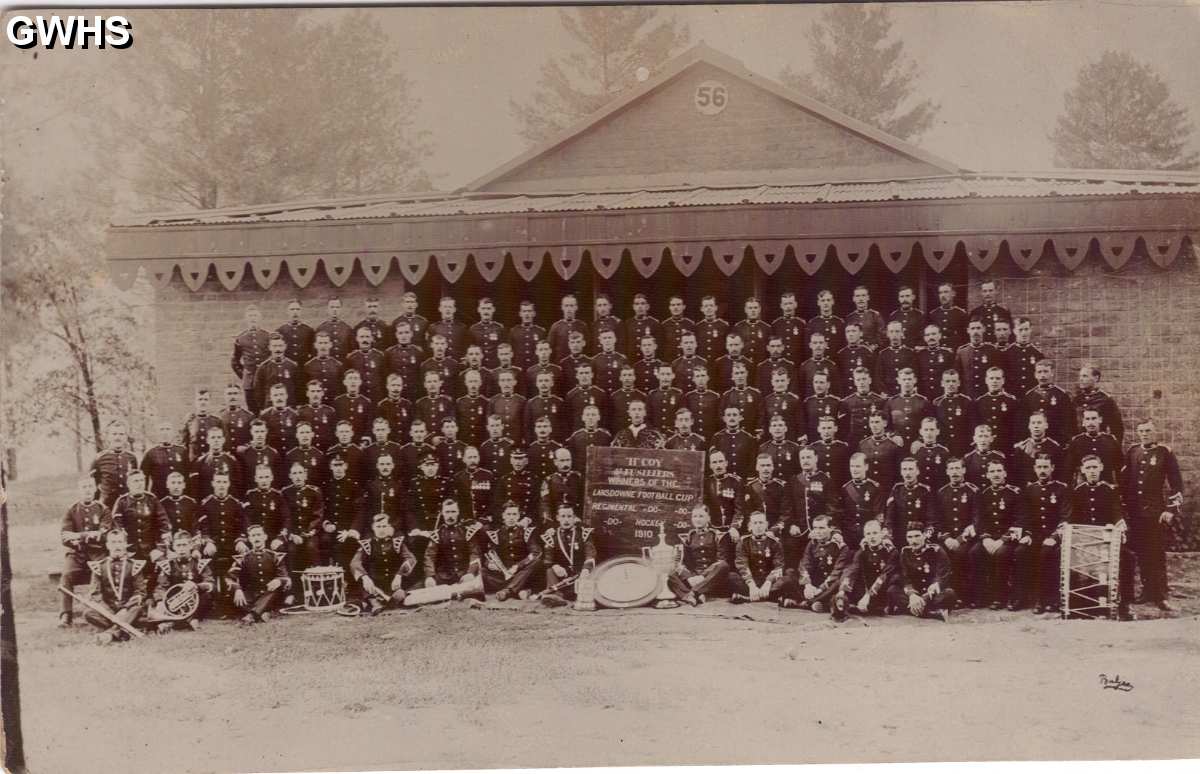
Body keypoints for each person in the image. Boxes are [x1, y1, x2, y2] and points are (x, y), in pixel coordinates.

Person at [1122, 419, 1183, 610]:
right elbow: (1126, 482)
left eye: (1148, 430)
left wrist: (1170, 510)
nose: (1144, 434)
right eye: (1141, 431)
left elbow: (1176, 484)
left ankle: (1161, 595)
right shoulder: (1133, 451)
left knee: (1156, 553)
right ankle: (1147, 591)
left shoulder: (1164, 452)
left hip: (1156, 513)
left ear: (1154, 431)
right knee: (1141, 553)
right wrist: (1124, 508)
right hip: (1135, 513)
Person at [1069, 455, 1136, 620]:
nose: (1092, 471)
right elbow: (1073, 517)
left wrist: (1120, 525)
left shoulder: (1110, 489)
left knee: (1128, 557)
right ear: (1083, 471)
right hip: (1084, 540)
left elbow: (1116, 512)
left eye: (1094, 467)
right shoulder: (1078, 491)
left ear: (1101, 468)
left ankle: (1125, 603)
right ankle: (1077, 604)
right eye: (1088, 468)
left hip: (1106, 539)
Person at [1016, 453, 1069, 613]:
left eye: (1046, 467)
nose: (1042, 470)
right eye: (1039, 467)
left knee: (1047, 553)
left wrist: (1054, 537)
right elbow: (1024, 517)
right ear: (1034, 469)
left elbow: (1066, 517)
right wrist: (1027, 534)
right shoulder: (1030, 489)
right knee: (1020, 551)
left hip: (1055, 536)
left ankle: (1047, 599)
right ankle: (1022, 596)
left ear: (1052, 468)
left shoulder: (1062, 488)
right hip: (1035, 535)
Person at [968, 460, 1023, 610]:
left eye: (999, 471)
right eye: (992, 471)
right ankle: (980, 596)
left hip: (1008, 539)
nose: (996, 474)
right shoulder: (982, 493)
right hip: (988, 538)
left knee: (1002, 554)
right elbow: (978, 519)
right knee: (975, 552)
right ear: (987, 475)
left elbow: (1020, 520)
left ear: (1005, 473)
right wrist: (985, 539)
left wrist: (1002, 540)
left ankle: (1000, 597)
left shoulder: (1015, 492)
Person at [59, 477, 109, 627]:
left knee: (101, 572)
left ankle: (101, 610)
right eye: (84, 487)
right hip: (77, 554)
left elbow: (104, 535)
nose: (87, 490)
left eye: (90, 486)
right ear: (79, 490)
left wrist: (79, 536)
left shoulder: (103, 509)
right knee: (66, 575)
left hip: (98, 553)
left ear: (96, 489)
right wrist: (90, 536)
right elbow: (65, 537)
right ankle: (66, 614)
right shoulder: (72, 510)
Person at [197, 471, 248, 616]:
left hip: (232, 546)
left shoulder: (236, 504)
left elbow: (243, 527)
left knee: (243, 555)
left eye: (224, 482)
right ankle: (214, 602)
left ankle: (238, 598)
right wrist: (207, 542)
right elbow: (202, 528)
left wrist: (240, 540)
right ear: (213, 484)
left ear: (229, 484)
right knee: (207, 558)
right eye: (218, 482)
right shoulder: (206, 504)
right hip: (214, 547)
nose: (221, 485)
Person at [85, 528, 149, 644]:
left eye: (120, 542)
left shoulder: (134, 565)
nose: (117, 546)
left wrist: (125, 609)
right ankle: (123, 629)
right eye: (113, 542)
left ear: (125, 544)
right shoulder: (99, 566)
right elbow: (95, 594)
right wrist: (109, 613)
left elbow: (140, 592)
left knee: (138, 609)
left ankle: (109, 634)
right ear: (108, 545)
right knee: (89, 614)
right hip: (108, 610)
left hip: (129, 609)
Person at [778, 514, 850, 612]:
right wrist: (807, 585)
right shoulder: (812, 543)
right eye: (815, 528)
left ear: (830, 528)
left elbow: (837, 571)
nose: (818, 531)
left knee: (839, 582)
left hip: (828, 584)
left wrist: (820, 589)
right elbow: (804, 564)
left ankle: (803, 603)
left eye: (822, 528)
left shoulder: (840, 546)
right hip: (813, 582)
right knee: (790, 573)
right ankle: (815, 603)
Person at [832, 519, 897, 621]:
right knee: (846, 576)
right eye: (868, 534)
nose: (872, 537)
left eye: (875, 533)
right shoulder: (862, 550)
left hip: (882, 587)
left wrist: (868, 595)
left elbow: (884, 576)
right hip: (867, 587)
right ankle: (844, 604)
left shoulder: (890, 551)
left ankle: (874, 607)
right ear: (864, 536)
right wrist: (842, 590)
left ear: (881, 534)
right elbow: (854, 569)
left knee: (892, 586)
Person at [889, 521, 956, 621]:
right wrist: (912, 595)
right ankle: (932, 613)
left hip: (932, 593)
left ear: (924, 535)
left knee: (949, 594)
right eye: (910, 537)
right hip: (915, 593)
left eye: (917, 536)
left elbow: (941, 578)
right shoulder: (904, 552)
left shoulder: (937, 550)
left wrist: (924, 598)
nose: (913, 540)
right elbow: (905, 577)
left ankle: (911, 609)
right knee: (892, 590)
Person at [351, 513, 417, 614]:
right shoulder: (367, 544)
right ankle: (375, 601)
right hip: (375, 583)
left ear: (389, 527)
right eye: (378, 526)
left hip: (394, 582)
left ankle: (388, 600)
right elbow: (355, 562)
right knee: (364, 585)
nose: (381, 529)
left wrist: (399, 575)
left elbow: (411, 559)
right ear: (373, 528)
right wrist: (365, 577)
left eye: (384, 526)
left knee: (406, 590)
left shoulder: (397, 543)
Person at [665, 504, 731, 605]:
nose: (697, 519)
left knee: (723, 565)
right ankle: (690, 595)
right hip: (694, 576)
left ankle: (693, 593)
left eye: (701, 516)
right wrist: (689, 576)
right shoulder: (688, 537)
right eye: (695, 516)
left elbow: (720, 560)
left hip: (711, 577)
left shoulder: (717, 535)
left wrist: (703, 577)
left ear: (708, 518)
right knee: (670, 575)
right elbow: (684, 562)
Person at [150, 529, 215, 633]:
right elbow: (161, 587)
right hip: (175, 603)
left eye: (184, 545)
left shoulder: (200, 563)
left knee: (206, 596)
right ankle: (190, 620)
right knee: (166, 600)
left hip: (195, 602)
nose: (181, 549)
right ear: (174, 547)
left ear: (190, 546)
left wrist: (197, 585)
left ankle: (172, 622)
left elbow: (210, 583)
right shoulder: (168, 565)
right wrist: (160, 601)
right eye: (178, 545)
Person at [935, 457, 978, 606]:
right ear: (947, 472)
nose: (955, 472)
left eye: (957, 468)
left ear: (964, 470)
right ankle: (947, 595)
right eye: (951, 469)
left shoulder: (973, 491)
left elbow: (976, 521)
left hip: (967, 538)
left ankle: (966, 596)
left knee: (961, 554)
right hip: (947, 538)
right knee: (941, 553)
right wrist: (947, 538)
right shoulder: (941, 492)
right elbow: (938, 521)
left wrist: (959, 540)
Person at [227, 524, 290, 625]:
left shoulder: (275, 556)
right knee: (236, 596)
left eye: (259, 535)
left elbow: (285, 577)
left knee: (275, 591)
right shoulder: (243, 558)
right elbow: (230, 578)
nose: (256, 538)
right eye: (253, 536)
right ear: (249, 539)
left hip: (270, 593)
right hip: (252, 594)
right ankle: (265, 612)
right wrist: (237, 589)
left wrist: (279, 580)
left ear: (265, 537)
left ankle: (252, 615)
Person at [482, 501, 543, 600]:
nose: (511, 517)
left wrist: (518, 566)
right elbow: (490, 554)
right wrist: (489, 564)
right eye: (508, 514)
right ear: (503, 516)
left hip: (522, 573)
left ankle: (508, 591)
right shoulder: (496, 534)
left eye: (514, 514)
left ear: (519, 516)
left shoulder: (526, 532)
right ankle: (519, 589)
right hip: (503, 575)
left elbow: (536, 552)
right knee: (483, 571)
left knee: (537, 562)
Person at [538, 504, 596, 606]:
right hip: (563, 574)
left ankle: (557, 596)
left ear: (574, 518)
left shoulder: (583, 533)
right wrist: (554, 565)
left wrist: (586, 569)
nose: (566, 520)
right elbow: (548, 558)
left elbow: (590, 555)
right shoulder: (552, 536)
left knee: (587, 584)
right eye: (563, 516)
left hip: (580, 573)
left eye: (569, 516)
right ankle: (556, 596)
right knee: (550, 570)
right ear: (557, 518)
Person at [111, 470, 171, 564]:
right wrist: (124, 550)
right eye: (135, 481)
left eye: (141, 480)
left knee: (164, 567)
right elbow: (117, 528)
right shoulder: (122, 502)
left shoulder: (152, 499)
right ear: (128, 484)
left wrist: (160, 549)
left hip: (152, 550)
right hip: (129, 551)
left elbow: (164, 525)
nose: (139, 484)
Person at [729, 511, 784, 604]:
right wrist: (752, 586)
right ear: (750, 525)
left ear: (766, 525)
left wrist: (768, 583)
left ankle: (747, 598)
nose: (758, 526)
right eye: (755, 523)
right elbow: (742, 564)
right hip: (750, 581)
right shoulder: (743, 542)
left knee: (787, 579)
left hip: (768, 582)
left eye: (761, 523)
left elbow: (779, 566)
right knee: (730, 576)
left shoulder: (775, 542)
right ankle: (768, 596)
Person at [1024, 360, 1075, 448]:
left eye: (1046, 371)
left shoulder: (1061, 395)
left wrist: (1065, 441)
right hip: (1035, 442)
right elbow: (1024, 421)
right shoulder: (1029, 395)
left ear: (1052, 373)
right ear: (1035, 374)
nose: (1042, 375)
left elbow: (1068, 421)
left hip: (1057, 440)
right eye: (1039, 372)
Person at [1065, 408, 1122, 485]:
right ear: (1083, 422)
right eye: (1087, 419)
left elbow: (1119, 467)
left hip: (1107, 487)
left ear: (1100, 420)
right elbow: (1069, 470)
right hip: (1083, 489)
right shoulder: (1076, 442)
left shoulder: (1110, 440)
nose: (1091, 422)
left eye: (1094, 418)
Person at [91, 420, 140, 508]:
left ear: (126, 437)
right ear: (108, 437)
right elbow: (93, 485)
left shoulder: (132, 458)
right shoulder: (99, 458)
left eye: (121, 434)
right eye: (114, 434)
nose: (118, 437)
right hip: (107, 505)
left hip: (128, 505)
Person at [232, 305, 271, 412]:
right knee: (253, 409)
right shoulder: (241, 338)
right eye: (250, 316)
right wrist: (245, 374)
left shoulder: (267, 336)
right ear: (246, 319)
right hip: (250, 381)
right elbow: (235, 361)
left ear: (260, 318)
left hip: (265, 379)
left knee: (266, 408)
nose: (252, 318)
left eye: (255, 316)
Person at [885, 459, 935, 543]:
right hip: (899, 538)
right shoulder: (896, 490)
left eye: (911, 469)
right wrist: (888, 537)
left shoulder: (925, 491)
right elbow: (889, 518)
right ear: (901, 472)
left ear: (917, 471)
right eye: (904, 469)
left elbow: (932, 520)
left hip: (920, 538)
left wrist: (925, 537)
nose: (907, 473)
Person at [1074, 364, 1124, 447]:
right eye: (1080, 376)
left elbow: (1117, 428)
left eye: (1085, 376)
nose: (1081, 379)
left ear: (1096, 378)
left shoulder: (1106, 400)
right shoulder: (1076, 399)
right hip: (1079, 444)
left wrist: (1114, 447)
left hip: (1099, 444)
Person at [840, 452, 883, 547]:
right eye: (852, 466)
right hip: (848, 535)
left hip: (868, 535)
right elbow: (842, 514)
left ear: (866, 467)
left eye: (858, 466)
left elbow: (878, 514)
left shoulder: (874, 487)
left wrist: (872, 534)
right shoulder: (845, 488)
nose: (854, 470)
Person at [976, 367, 1023, 454]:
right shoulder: (980, 401)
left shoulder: (1011, 401)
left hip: (1006, 445)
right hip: (986, 447)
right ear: (986, 380)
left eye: (998, 378)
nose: (994, 381)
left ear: (1003, 380)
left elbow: (1017, 426)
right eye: (991, 378)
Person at [884, 368, 934, 450]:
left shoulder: (923, 402)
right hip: (897, 446)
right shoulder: (891, 402)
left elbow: (931, 424)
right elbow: (885, 426)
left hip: (918, 446)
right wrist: (893, 436)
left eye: (909, 379)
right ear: (898, 380)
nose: (907, 382)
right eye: (904, 379)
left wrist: (920, 440)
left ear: (915, 380)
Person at [1011, 411, 1064, 488]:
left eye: (1039, 423)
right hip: (1027, 490)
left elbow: (1059, 472)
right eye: (1033, 423)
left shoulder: (1055, 447)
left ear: (1046, 425)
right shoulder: (1021, 448)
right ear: (1029, 426)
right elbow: (1016, 474)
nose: (1036, 426)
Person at [933, 369, 975, 458]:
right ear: (942, 383)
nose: (951, 384)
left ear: (959, 383)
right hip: (943, 446)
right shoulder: (937, 403)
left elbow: (972, 425)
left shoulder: (966, 402)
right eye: (947, 381)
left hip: (962, 446)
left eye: (953, 381)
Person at [141, 419, 190, 497]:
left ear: (173, 433)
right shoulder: (150, 453)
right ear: (157, 433)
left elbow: (187, 476)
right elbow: (144, 478)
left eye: (168, 429)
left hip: (179, 497)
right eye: (162, 429)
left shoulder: (182, 451)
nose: (165, 432)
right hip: (159, 496)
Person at [859, 412, 903, 495]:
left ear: (885, 424)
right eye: (871, 422)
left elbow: (898, 472)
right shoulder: (863, 445)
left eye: (877, 422)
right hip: (868, 490)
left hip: (887, 489)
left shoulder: (893, 446)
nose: (874, 425)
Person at [704, 450, 745, 537]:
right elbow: (705, 508)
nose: (718, 465)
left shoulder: (736, 482)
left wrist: (734, 527)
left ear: (726, 463)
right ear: (710, 466)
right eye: (714, 462)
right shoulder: (706, 483)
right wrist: (710, 529)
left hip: (732, 530)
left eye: (721, 461)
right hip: (712, 529)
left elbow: (740, 509)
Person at [253, 333, 299, 409]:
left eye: (280, 346)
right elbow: (258, 390)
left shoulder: (292, 366)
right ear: (269, 347)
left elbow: (299, 387)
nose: (278, 349)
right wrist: (263, 407)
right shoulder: (263, 367)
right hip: (270, 407)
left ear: (285, 347)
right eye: (274, 346)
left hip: (289, 407)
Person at [539, 448, 583, 526]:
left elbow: (584, 500)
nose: (566, 464)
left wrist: (579, 518)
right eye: (562, 461)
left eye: (568, 460)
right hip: (556, 520)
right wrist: (548, 521)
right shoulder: (549, 480)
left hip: (576, 519)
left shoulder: (578, 478)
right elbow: (545, 503)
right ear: (555, 462)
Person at [710, 405, 756, 478]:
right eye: (728, 415)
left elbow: (752, 461)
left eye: (734, 415)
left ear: (740, 418)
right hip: (725, 480)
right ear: (724, 419)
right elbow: (713, 460)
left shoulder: (748, 438)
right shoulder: (717, 437)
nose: (732, 418)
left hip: (743, 479)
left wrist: (749, 478)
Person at [956, 320, 997, 399]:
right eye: (973, 328)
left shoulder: (992, 350)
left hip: (986, 396)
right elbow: (958, 375)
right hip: (968, 395)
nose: (975, 331)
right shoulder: (962, 351)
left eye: (978, 328)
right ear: (968, 330)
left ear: (984, 329)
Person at [875, 321, 917, 398]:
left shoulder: (909, 352)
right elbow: (879, 377)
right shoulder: (883, 354)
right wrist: (884, 392)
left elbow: (915, 373)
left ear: (902, 333)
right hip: (889, 393)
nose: (894, 335)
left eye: (897, 331)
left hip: (906, 392)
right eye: (891, 332)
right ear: (887, 334)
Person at [566, 404, 612, 476]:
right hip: (581, 475)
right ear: (583, 418)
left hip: (600, 475)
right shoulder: (576, 437)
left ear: (599, 417)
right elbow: (572, 459)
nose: (590, 418)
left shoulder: (606, 436)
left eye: (593, 415)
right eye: (587, 415)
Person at [384, 320, 423, 404]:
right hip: (396, 393)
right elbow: (385, 373)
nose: (404, 336)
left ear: (411, 334)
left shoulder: (418, 352)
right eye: (400, 333)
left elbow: (421, 374)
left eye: (406, 332)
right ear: (396, 335)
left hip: (414, 393)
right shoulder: (389, 352)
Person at [345, 326, 387, 404]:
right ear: (357, 339)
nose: (365, 340)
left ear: (372, 339)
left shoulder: (380, 356)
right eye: (362, 337)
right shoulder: (351, 358)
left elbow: (384, 377)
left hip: (377, 397)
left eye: (367, 337)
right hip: (359, 398)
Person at [809, 416, 850, 493]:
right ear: (818, 429)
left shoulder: (843, 448)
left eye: (829, 428)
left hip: (838, 488)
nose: (826, 431)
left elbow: (847, 472)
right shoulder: (813, 447)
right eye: (823, 428)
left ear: (835, 429)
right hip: (818, 489)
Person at [916, 324, 956, 402]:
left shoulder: (947, 353)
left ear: (940, 335)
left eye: (934, 334)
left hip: (942, 394)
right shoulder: (919, 354)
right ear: (924, 338)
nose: (931, 337)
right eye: (928, 335)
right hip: (924, 394)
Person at [260, 384, 299, 458]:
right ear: (271, 397)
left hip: (291, 454)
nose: (279, 398)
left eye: (281, 394)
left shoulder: (294, 415)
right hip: (272, 456)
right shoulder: (265, 415)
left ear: (286, 396)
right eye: (276, 395)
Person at [333, 369, 373, 443]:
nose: (353, 381)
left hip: (360, 441)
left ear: (360, 382)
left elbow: (369, 423)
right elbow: (334, 422)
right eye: (350, 379)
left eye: (355, 378)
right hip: (342, 441)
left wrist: (366, 438)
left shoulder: (366, 402)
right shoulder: (338, 401)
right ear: (344, 382)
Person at [913, 417, 951, 493]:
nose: (929, 433)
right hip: (920, 492)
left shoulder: (944, 452)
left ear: (938, 431)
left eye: (932, 430)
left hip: (938, 491)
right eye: (926, 430)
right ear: (921, 432)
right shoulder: (916, 451)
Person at [927, 282, 968, 353]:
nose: (943, 295)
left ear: (953, 294)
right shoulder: (933, 314)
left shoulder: (961, 314)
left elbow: (965, 337)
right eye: (940, 293)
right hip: (938, 353)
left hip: (955, 352)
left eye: (946, 292)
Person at [489, 370, 527, 446]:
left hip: (517, 442)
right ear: (499, 383)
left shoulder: (521, 401)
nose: (506, 383)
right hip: (499, 443)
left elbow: (525, 423)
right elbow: (490, 424)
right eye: (503, 380)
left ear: (514, 382)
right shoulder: (493, 401)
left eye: (509, 380)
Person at [683, 365, 721, 441]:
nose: (701, 379)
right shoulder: (688, 397)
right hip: (693, 438)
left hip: (711, 436)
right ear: (693, 379)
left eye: (703, 376)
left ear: (708, 378)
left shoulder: (715, 396)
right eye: (697, 376)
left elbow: (719, 419)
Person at [297, 381, 338, 451]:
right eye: (312, 391)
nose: (315, 394)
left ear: (322, 393)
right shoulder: (301, 411)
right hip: (309, 451)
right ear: (307, 393)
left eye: (318, 391)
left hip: (326, 449)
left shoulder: (330, 411)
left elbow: (334, 432)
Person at [963, 424, 1006, 489]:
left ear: (991, 439)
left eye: (986, 436)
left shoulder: (999, 457)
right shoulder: (968, 458)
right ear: (974, 439)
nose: (983, 440)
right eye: (980, 436)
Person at [837, 323, 875, 396]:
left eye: (854, 331)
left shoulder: (867, 352)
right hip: (846, 393)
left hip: (863, 393)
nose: (850, 334)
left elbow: (873, 375)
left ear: (860, 333)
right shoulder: (841, 354)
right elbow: (839, 378)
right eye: (848, 332)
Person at [798, 332, 837, 401]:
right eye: (815, 343)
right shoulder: (804, 366)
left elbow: (837, 390)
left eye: (821, 343)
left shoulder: (831, 366)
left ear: (825, 345)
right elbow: (801, 391)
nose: (818, 346)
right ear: (810, 345)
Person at [549, 294, 588, 362]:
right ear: (562, 307)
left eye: (571, 306)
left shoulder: (582, 326)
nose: (569, 309)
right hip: (561, 365)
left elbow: (588, 348)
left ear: (576, 307)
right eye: (566, 306)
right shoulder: (556, 327)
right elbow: (550, 349)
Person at [509, 299, 547, 370]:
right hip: (519, 368)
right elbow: (511, 352)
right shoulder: (514, 331)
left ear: (534, 313)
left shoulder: (540, 331)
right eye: (524, 311)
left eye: (529, 311)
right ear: (520, 314)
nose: (527, 314)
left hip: (536, 369)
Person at [845, 285, 885, 352]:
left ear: (868, 297)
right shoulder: (850, 317)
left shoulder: (875, 315)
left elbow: (882, 336)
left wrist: (874, 346)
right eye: (858, 296)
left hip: (872, 353)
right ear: (853, 299)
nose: (861, 299)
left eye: (863, 295)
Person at [772, 291, 807, 366]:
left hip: (798, 364)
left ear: (795, 304)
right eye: (785, 304)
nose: (788, 306)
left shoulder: (802, 324)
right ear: (781, 305)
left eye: (790, 303)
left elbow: (805, 346)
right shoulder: (776, 324)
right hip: (780, 364)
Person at [647, 363, 683, 434]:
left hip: (674, 433)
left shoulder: (678, 394)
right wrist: (653, 431)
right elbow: (647, 417)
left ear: (673, 376)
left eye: (668, 374)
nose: (665, 377)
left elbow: (682, 416)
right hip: (655, 434)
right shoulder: (652, 395)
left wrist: (675, 430)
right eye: (662, 374)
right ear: (658, 376)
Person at [278, 298, 315, 367]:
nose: (295, 312)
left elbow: (312, 352)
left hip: (304, 366)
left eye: (297, 309)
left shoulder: (309, 330)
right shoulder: (280, 330)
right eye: (292, 309)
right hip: (287, 367)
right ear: (287, 311)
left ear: (301, 311)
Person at [607, 366, 644, 436]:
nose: (627, 378)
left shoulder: (641, 396)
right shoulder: (613, 396)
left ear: (634, 377)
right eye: (624, 375)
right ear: (620, 378)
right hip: (618, 433)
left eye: (630, 375)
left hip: (637, 434)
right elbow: (610, 418)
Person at [470, 297, 505, 369]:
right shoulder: (473, 329)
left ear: (493, 310)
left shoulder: (499, 328)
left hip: (495, 366)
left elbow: (503, 348)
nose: (486, 311)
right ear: (479, 310)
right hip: (480, 367)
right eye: (483, 308)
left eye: (488, 309)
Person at [219, 384, 256, 452]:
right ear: (224, 396)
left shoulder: (249, 416)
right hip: (225, 456)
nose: (232, 397)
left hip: (243, 455)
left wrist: (246, 447)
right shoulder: (220, 416)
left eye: (235, 393)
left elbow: (254, 438)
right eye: (229, 394)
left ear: (240, 396)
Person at [316, 297, 355, 362]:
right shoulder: (321, 328)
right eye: (332, 307)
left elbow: (352, 350)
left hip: (343, 363)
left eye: (337, 307)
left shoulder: (347, 328)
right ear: (327, 309)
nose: (335, 310)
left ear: (341, 309)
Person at [695, 295, 730, 364]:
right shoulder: (698, 327)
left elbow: (728, 345)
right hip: (703, 364)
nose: (709, 308)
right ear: (701, 309)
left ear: (716, 308)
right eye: (706, 306)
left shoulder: (724, 325)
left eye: (711, 305)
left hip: (720, 363)